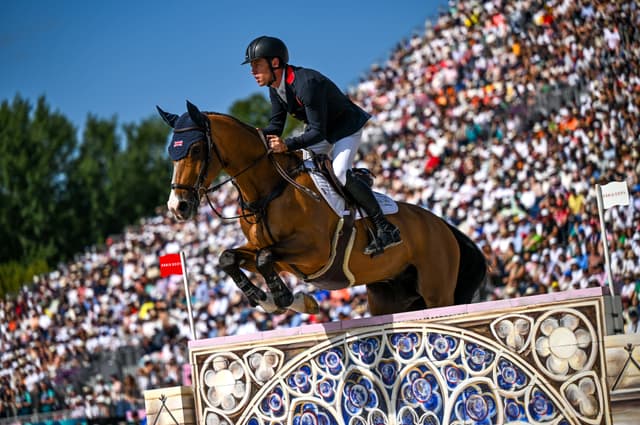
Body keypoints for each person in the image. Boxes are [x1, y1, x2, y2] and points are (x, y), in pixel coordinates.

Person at [242, 35, 401, 256]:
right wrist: (252, 137)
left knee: (340, 172)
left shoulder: (305, 83)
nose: (253, 71)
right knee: (298, 170)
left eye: (257, 64)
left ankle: (385, 227)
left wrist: (287, 145)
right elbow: (276, 125)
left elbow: (317, 132)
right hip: (323, 131)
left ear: (275, 62)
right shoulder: (275, 87)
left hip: (345, 128)